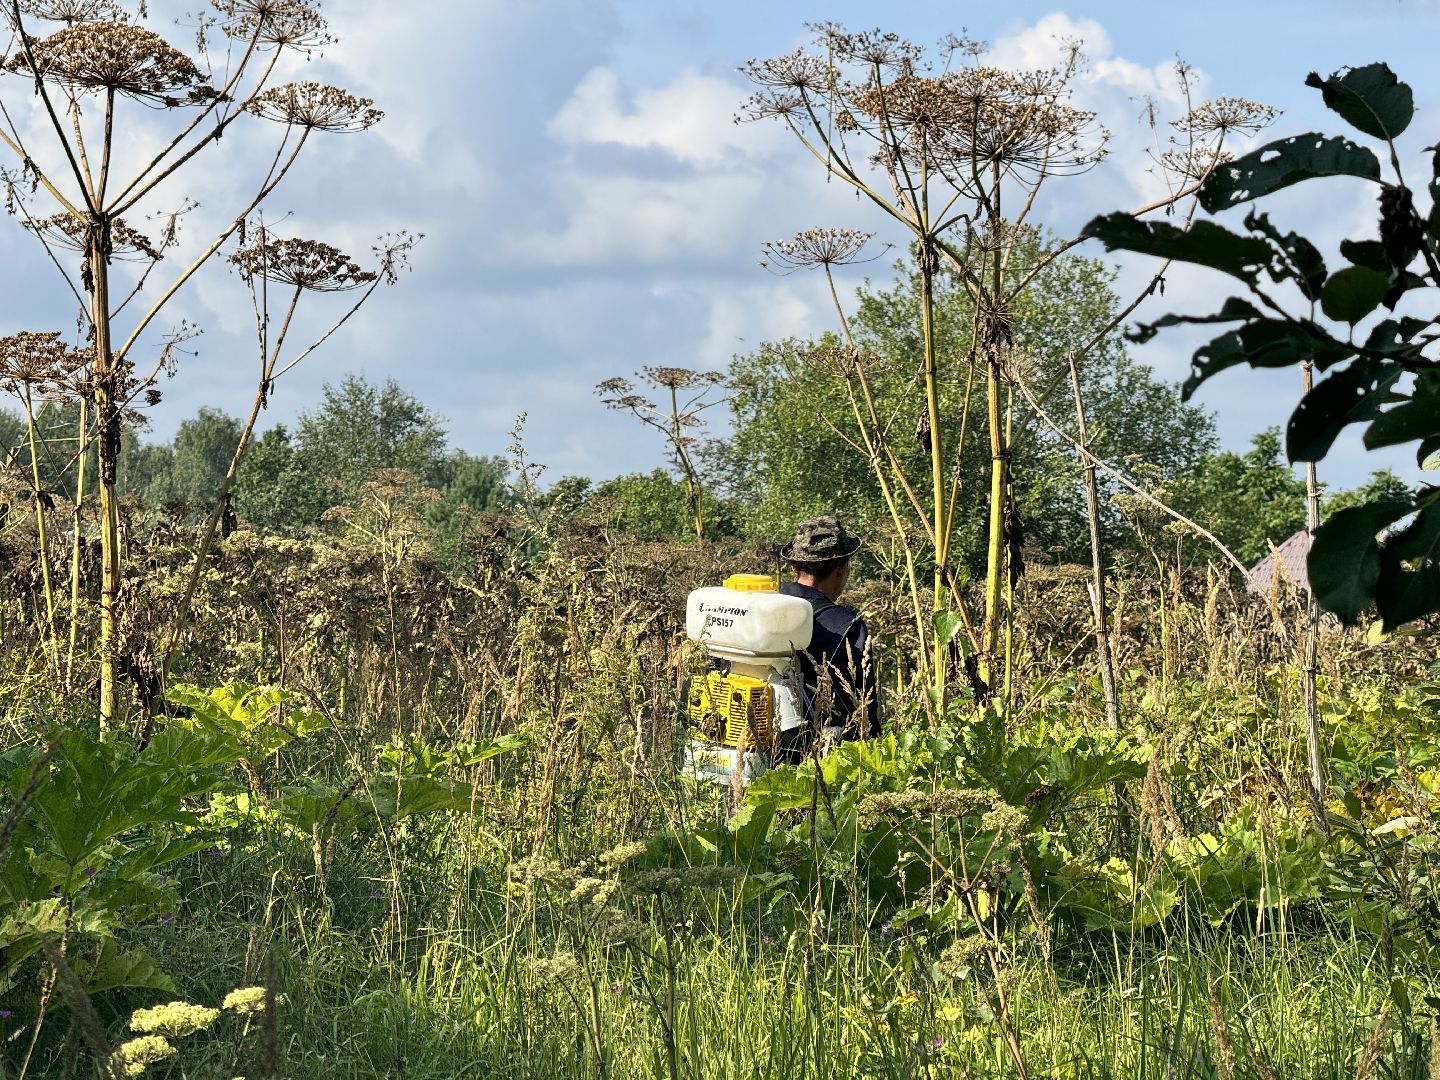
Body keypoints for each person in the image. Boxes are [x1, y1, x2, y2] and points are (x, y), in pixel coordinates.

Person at [777, 515, 880, 762]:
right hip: (814, 765)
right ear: (842, 568)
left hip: (752, 749)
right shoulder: (847, 626)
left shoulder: (760, 606)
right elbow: (863, 714)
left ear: (794, 567)